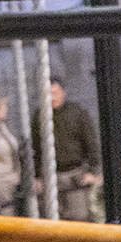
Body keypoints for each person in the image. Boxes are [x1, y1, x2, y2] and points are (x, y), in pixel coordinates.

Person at [34, 78, 101, 222]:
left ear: (63, 93)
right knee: (53, 219)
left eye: (55, 93)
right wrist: (38, 177)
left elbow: (91, 143)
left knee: (79, 218)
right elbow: (36, 149)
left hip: (75, 174)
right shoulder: (39, 117)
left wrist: (92, 170)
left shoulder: (77, 113)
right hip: (51, 176)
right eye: (48, 94)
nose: (52, 98)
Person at [0, 92, 28, 214]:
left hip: (11, 182)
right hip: (1, 184)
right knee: (6, 215)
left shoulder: (1, 127)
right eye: (4, 106)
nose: (6, 109)